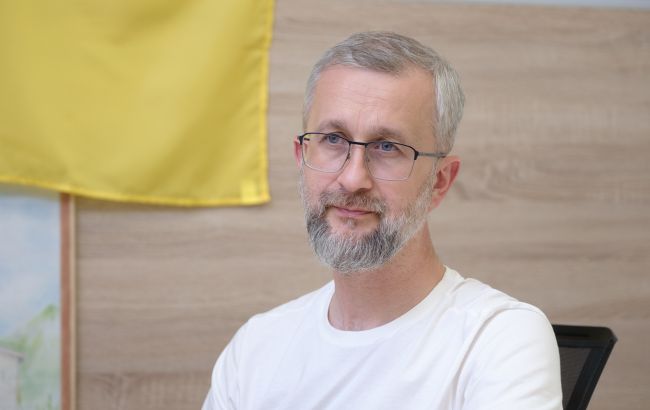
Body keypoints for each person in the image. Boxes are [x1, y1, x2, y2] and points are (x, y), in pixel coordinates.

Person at [202, 31, 562, 409]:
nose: (352, 178)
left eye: (387, 147)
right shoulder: (256, 347)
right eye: (333, 139)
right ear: (301, 157)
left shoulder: (498, 340)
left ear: (440, 181)